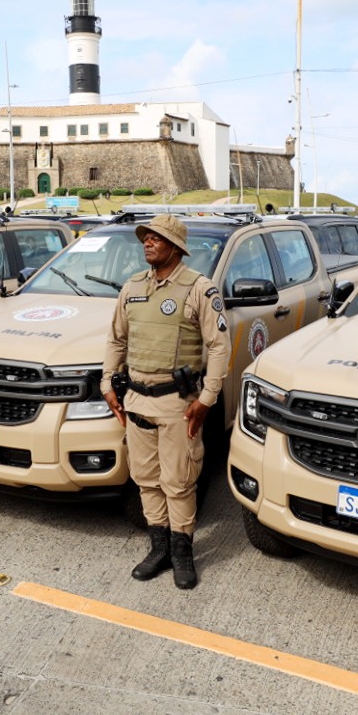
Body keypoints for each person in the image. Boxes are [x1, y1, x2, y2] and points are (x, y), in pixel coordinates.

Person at [101, 214, 229, 589]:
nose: (148, 243)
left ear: (175, 247)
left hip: (178, 404)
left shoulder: (199, 290)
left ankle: (182, 552)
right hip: (137, 402)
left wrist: (207, 399)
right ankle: (158, 548)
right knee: (146, 480)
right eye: (146, 238)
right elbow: (116, 340)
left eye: (156, 238)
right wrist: (108, 382)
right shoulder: (133, 288)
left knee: (179, 481)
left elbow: (219, 347)